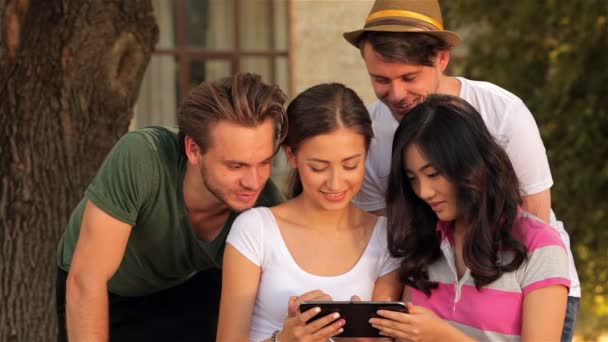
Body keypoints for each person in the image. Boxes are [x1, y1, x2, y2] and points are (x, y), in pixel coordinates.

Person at [343, 1, 580, 339]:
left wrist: (476, 293)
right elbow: (392, 236)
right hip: (436, 275)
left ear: (441, 59)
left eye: (409, 77)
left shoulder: (502, 112)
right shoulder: (370, 132)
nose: (396, 94)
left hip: (519, 283)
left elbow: (534, 215)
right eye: (380, 79)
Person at [55, 73, 288, 342]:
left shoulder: (268, 208)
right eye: (236, 166)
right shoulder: (142, 158)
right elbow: (86, 281)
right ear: (193, 149)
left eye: (264, 163)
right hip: (105, 288)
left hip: (191, 284)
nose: (253, 181)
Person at [368, 94, 570, 341]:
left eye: (433, 174)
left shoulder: (540, 245)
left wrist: (445, 336)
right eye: (412, 178)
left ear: (469, 164)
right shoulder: (423, 240)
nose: (423, 191)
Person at [216, 83, 403, 342]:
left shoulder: (386, 237)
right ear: (291, 155)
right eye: (318, 167)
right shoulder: (256, 230)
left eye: (350, 165)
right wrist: (283, 340)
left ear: (367, 154)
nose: (335, 183)